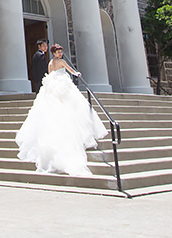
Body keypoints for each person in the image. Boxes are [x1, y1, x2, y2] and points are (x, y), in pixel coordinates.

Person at [14, 44, 108, 176]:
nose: (59, 54)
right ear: (54, 53)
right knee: (72, 106)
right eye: (58, 52)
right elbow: (70, 70)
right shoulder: (60, 62)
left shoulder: (51, 63)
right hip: (62, 86)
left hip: (55, 86)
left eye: (60, 52)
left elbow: (50, 75)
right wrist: (76, 73)